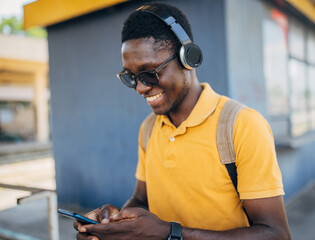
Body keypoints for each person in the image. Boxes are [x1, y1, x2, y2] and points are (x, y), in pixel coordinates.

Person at [74, 2, 291, 240]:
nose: (141, 88)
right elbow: (141, 200)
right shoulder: (148, 128)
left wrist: (170, 233)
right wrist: (114, 221)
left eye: (150, 73)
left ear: (189, 58)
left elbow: (276, 234)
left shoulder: (242, 125)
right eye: (131, 77)